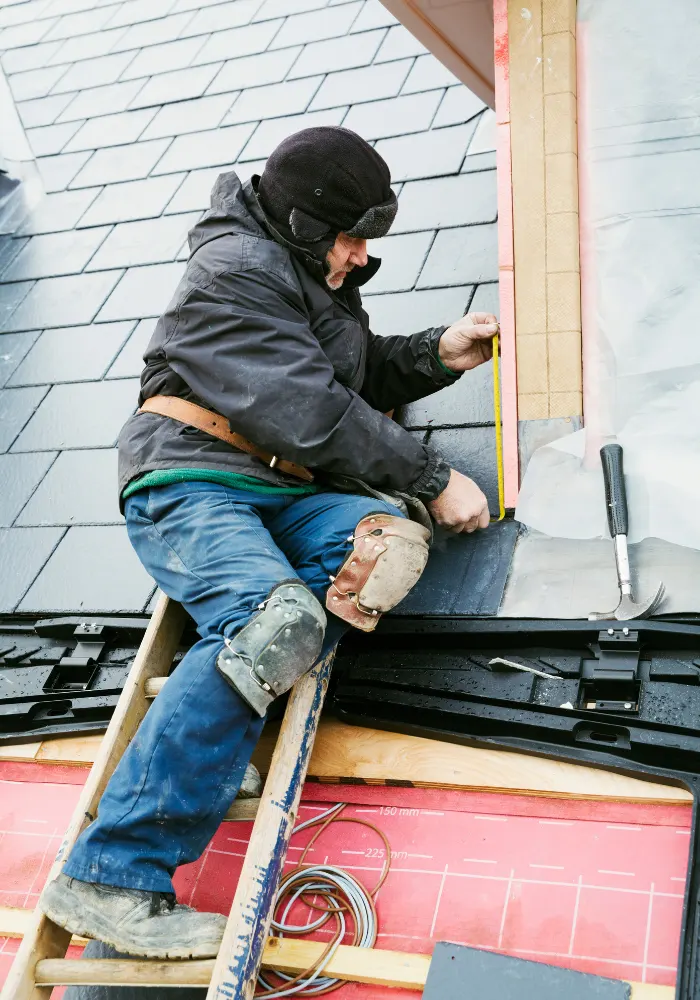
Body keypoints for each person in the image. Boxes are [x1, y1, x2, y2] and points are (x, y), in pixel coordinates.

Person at [40, 127, 498, 959]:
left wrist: (436, 353)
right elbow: (308, 407)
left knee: (383, 548)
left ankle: (208, 742)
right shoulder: (234, 270)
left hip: (280, 490)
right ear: (300, 222)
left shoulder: (308, 273)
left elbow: (346, 384)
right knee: (275, 622)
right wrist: (434, 476)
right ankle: (112, 875)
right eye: (351, 237)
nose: (361, 256)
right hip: (191, 477)